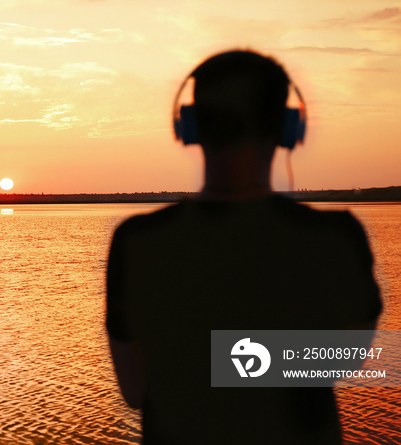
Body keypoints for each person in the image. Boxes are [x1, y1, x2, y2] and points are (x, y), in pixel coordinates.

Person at [106, 50, 381, 444]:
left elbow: (134, 392)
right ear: (289, 127)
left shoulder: (137, 242)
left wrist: (209, 359)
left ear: (190, 125)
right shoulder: (335, 237)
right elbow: (349, 361)